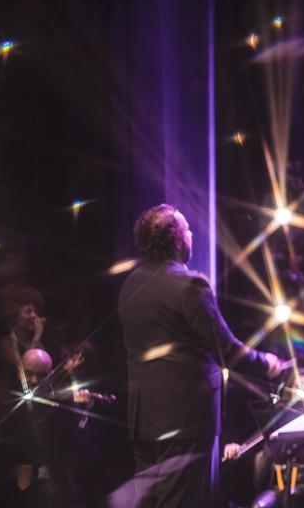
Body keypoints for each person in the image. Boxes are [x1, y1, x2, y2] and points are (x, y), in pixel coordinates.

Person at [118, 204, 282, 508]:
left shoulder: (131, 284)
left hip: (143, 417)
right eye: (187, 230)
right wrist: (267, 364)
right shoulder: (189, 286)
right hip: (185, 419)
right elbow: (227, 350)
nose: (191, 234)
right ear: (176, 240)